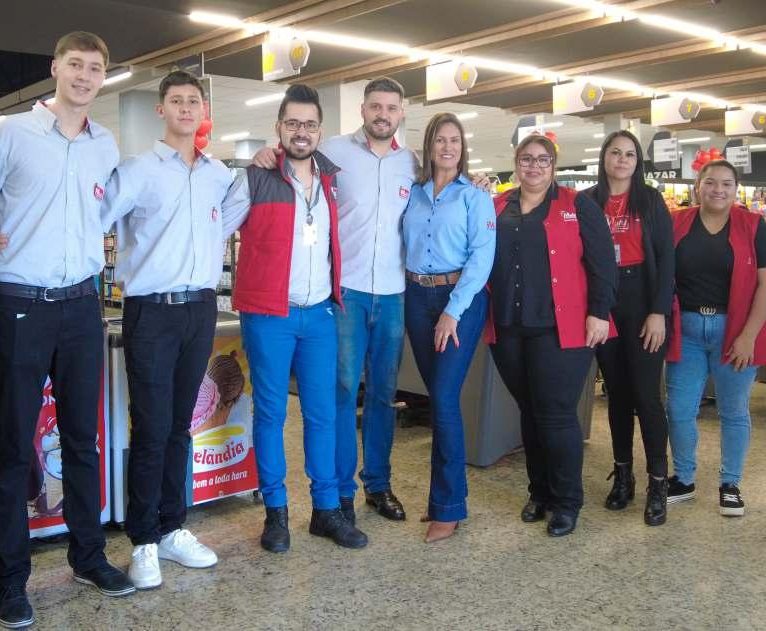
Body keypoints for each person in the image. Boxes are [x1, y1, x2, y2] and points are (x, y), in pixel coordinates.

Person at [251, 78, 491, 524]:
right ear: (362, 109)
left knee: (383, 393)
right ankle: (342, 491)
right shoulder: (333, 152)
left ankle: (377, 484)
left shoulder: (412, 163)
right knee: (344, 390)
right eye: (376, 106)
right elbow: (295, 155)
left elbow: (446, 183)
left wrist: (476, 180)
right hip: (347, 293)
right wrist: (269, 153)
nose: (383, 114)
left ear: (402, 114)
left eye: (392, 108)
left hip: (396, 295)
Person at [0, 31, 133, 629]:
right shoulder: (11, 134)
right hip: (22, 304)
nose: (85, 76)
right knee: (17, 444)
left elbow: (106, 212)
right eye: (75, 64)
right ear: (55, 68)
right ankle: (11, 580)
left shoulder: (105, 144)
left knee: (81, 441)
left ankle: (88, 557)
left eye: (95, 67)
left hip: (82, 306)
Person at [223, 84, 368, 553]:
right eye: (292, 124)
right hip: (270, 314)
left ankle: (325, 511)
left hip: (321, 314)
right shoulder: (255, 178)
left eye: (309, 124)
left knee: (322, 415)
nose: (301, 132)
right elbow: (213, 228)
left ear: (320, 131)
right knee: (271, 414)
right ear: (279, 128)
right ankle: (276, 512)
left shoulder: (332, 181)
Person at [100, 70, 230, 589]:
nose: (185, 108)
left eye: (193, 101)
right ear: (161, 109)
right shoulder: (137, 171)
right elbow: (92, 218)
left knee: (181, 426)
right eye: (176, 101)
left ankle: (174, 528)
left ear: (203, 111)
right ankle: (144, 541)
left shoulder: (218, 174)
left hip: (200, 309)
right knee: (151, 428)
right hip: (152, 311)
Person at [484, 134, 617, 537]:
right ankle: (539, 492)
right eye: (527, 159)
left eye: (543, 160)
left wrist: (599, 313)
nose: (534, 166)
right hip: (509, 326)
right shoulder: (498, 205)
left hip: (561, 328)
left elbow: (603, 264)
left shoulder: (578, 205)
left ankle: (566, 502)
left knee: (556, 414)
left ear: (554, 166)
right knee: (529, 410)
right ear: (516, 163)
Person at [665, 159, 766, 516]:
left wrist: (749, 336)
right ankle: (683, 477)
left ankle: (730, 484)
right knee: (679, 410)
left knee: (733, 410)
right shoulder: (676, 222)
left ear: (735, 188)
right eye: (711, 182)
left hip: (735, 331)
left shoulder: (753, 225)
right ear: (697, 186)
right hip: (686, 331)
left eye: (727, 183)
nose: (718, 189)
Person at [401, 113, 495, 542]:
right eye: (440, 140)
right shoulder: (414, 193)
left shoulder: (474, 196)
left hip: (460, 301)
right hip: (416, 298)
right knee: (437, 398)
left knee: (442, 398)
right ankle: (446, 496)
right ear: (429, 146)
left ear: (463, 147)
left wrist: (453, 311)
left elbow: (481, 258)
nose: (447, 147)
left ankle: (449, 506)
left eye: (455, 140)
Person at [580, 130, 674, 526]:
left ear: (638, 162)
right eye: (615, 153)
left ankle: (658, 483)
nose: (622, 160)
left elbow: (666, 260)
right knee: (617, 394)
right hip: (604, 301)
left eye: (630, 154)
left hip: (642, 300)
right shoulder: (586, 201)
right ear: (604, 158)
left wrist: (659, 311)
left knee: (646, 396)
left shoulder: (650, 200)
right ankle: (623, 475)